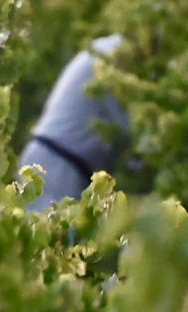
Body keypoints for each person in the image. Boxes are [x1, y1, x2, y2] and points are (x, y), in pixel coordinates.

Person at [20, 35, 125, 211]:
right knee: (57, 235)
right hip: (55, 168)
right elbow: (128, 133)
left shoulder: (104, 49)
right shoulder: (112, 58)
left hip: (53, 162)